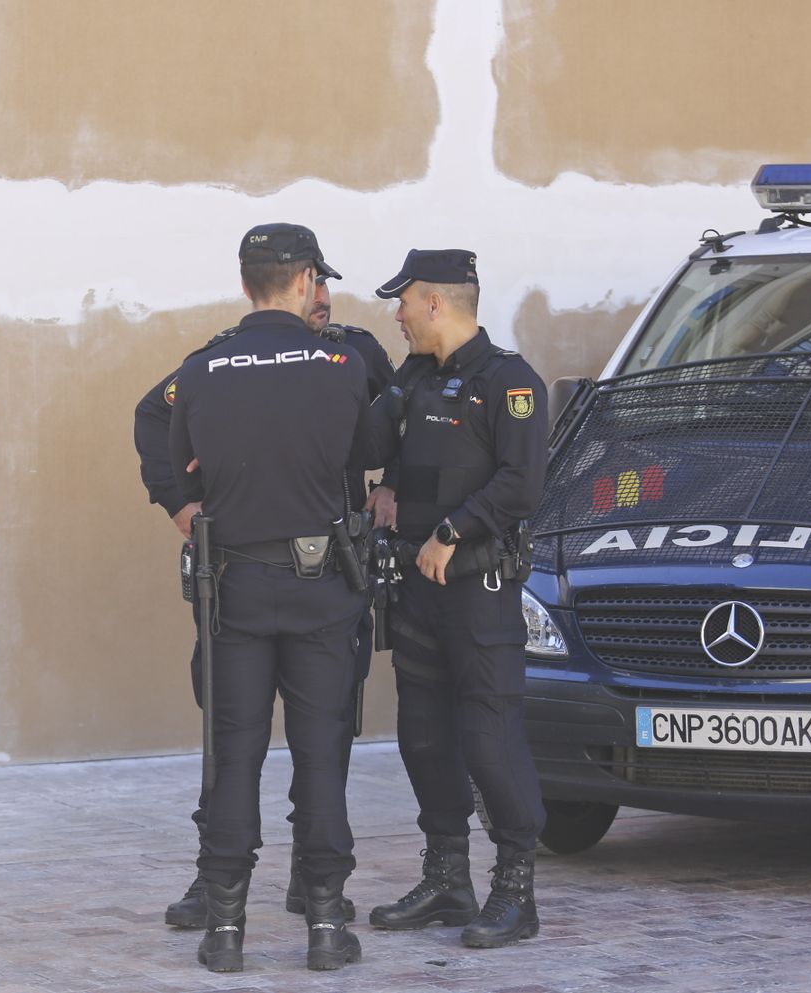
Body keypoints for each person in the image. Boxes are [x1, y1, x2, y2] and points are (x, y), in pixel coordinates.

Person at [133, 262, 394, 930]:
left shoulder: (350, 355)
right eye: (318, 285)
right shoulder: (243, 360)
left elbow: (394, 427)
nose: (322, 299)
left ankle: (288, 891)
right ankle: (240, 890)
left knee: (299, 741)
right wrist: (179, 503)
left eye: (329, 290)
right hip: (263, 577)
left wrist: (388, 486)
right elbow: (154, 413)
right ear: (302, 281)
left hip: (306, 574)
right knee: (249, 741)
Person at [357, 249, 549, 948]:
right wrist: (386, 480)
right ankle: (447, 880)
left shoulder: (510, 382)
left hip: (477, 591)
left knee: (489, 740)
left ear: (434, 303)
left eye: (403, 302)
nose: (397, 315)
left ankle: (516, 892)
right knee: (423, 738)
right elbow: (374, 445)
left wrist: (452, 530)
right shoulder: (413, 378)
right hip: (415, 592)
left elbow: (521, 484)